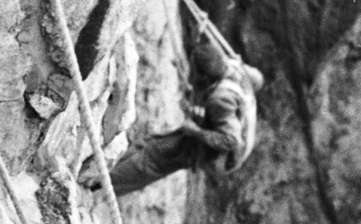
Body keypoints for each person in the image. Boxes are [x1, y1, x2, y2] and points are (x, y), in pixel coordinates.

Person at [83, 32, 263, 196]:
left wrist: (196, 132)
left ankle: (97, 187)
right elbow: (258, 80)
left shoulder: (221, 100)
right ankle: (106, 171)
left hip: (221, 157)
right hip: (223, 131)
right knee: (152, 142)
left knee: (155, 159)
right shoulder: (234, 67)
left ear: (206, 78)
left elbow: (231, 141)